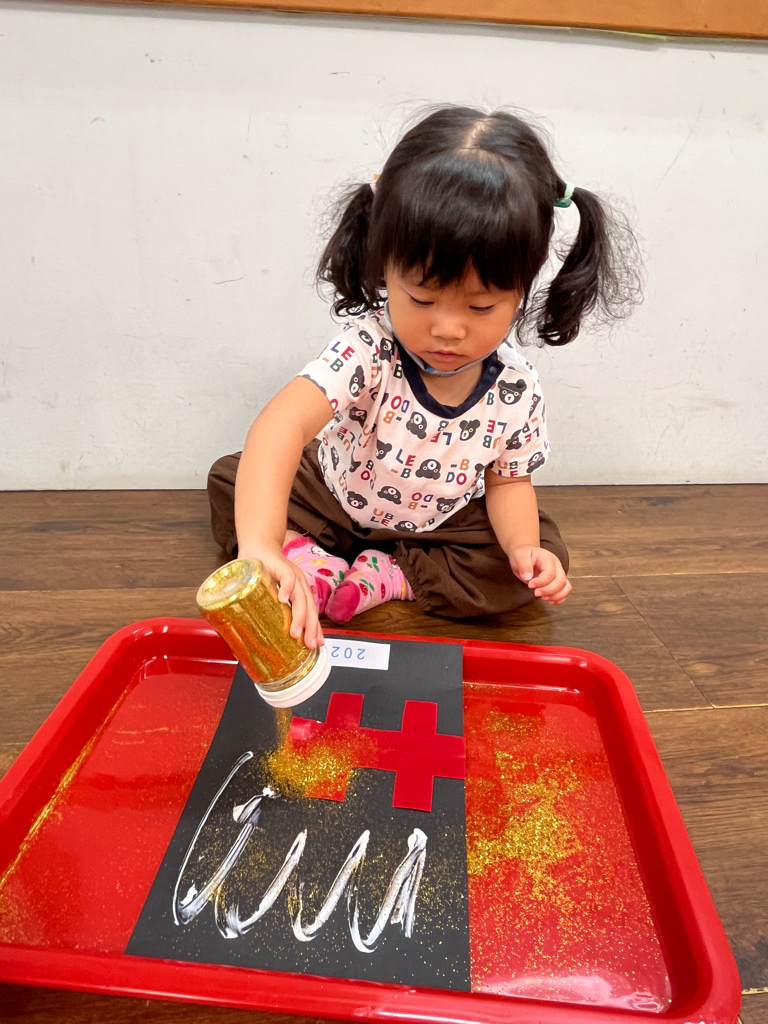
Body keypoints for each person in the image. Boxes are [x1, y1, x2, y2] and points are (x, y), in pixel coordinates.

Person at [207, 105, 640, 649]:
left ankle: (391, 576)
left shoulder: (515, 388)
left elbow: (508, 482)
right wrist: (261, 544)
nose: (448, 329)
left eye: (481, 307)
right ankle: (303, 557)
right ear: (383, 268)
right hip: (333, 497)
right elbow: (281, 427)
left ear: (522, 290)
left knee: (537, 555)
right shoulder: (370, 348)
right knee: (234, 478)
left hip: (437, 525)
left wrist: (523, 549)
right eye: (421, 298)